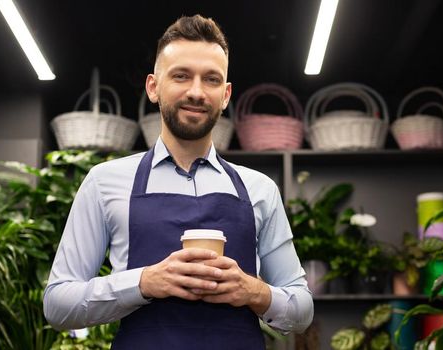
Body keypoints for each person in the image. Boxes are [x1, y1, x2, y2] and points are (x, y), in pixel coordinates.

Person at [43, 14, 313, 349]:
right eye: (181, 76)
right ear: (153, 87)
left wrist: (252, 291)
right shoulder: (104, 182)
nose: (197, 92)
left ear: (226, 95)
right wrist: (144, 282)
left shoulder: (260, 190)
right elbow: (57, 304)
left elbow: (302, 310)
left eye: (211, 80)